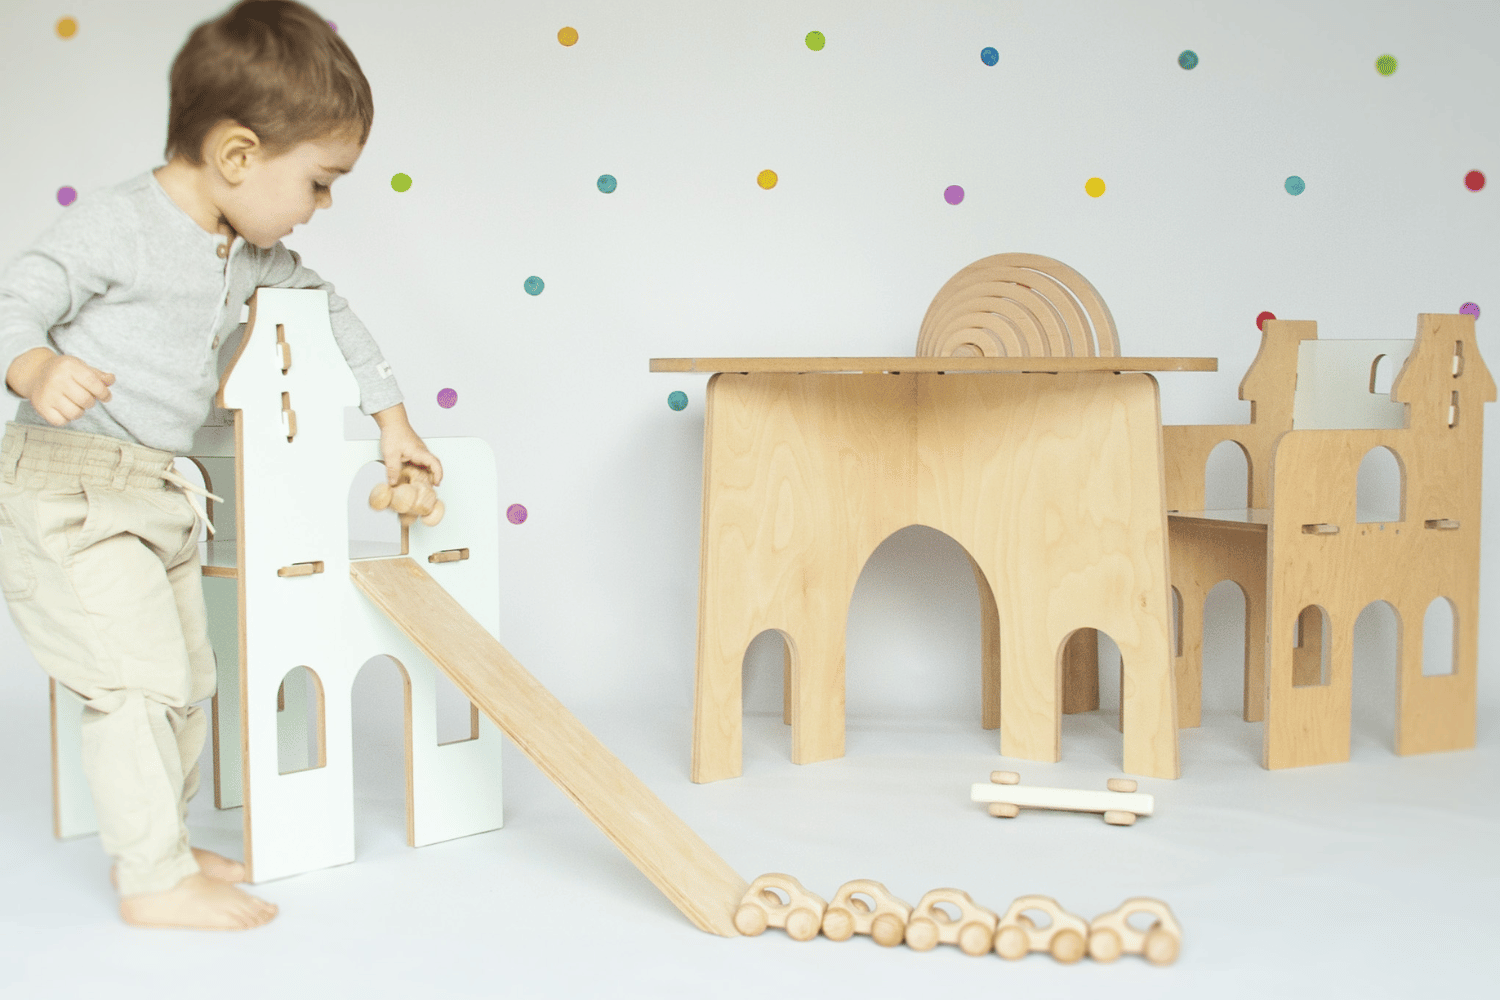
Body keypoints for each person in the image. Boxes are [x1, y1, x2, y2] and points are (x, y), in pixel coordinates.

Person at [0, 0, 439, 930]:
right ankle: (150, 878)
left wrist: (391, 417)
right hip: (67, 484)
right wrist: (34, 365)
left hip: (158, 492)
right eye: (319, 183)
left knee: (190, 680)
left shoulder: (247, 250)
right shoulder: (116, 226)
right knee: (135, 683)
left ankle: (160, 837)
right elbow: (13, 300)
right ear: (238, 156)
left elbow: (331, 313)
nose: (323, 207)